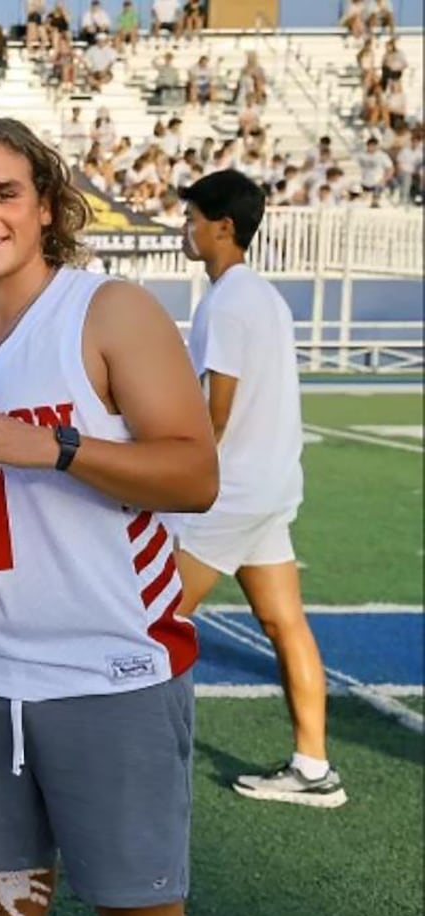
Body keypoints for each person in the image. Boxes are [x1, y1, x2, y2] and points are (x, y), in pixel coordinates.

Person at [0, 117, 217, 916]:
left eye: (5, 192)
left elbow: (195, 472)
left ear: (47, 206)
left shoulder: (106, 308)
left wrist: (58, 446)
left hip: (108, 664)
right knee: (3, 906)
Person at [174, 170, 344, 808]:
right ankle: (313, 768)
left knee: (149, 620)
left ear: (224, 226)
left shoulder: (227, 301)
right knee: (284, 622)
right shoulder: (262, 297)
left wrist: (172, 478)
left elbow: (213, 415)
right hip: (271, 486)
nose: (185, 228)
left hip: (232, 493)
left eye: (192, 217)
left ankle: (125, 765)